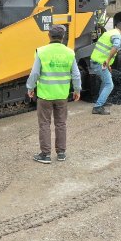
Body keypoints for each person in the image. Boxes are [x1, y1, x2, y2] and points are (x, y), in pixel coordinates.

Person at [26, 25, 81, 164]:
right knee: (61, 123)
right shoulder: (69, 53)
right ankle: (61, 153)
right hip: (62, 95)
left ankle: (45, 155)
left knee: (44, 124)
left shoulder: (41, 51)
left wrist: (30, 87)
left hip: (45, 95)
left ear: (49, 36)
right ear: (63, 37)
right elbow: (76, 74)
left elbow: (35, 73)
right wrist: (77, 90)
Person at [90, 22, 121, 115]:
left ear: (115, 26)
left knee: (105, 81)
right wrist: (107, 60)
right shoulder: (118, 36)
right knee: (109, 85)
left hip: (96, 60)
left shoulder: (108, 33)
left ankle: (102, 100)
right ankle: (97, 107)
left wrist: (108, 65)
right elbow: (116, 46)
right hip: (100, 63)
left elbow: (105, 50)